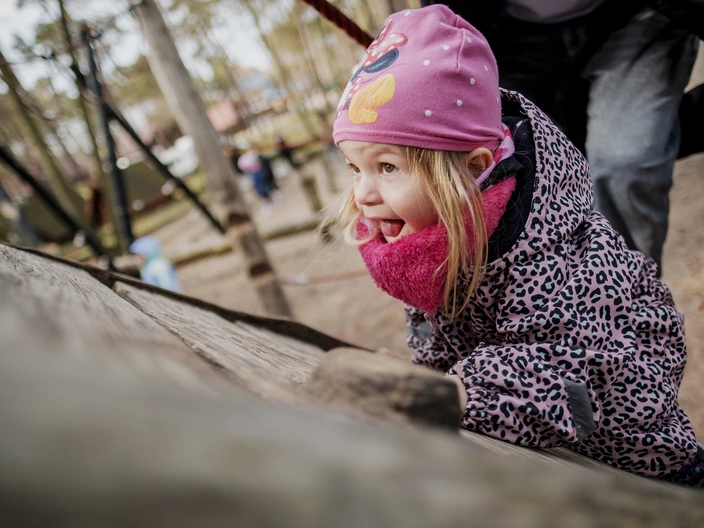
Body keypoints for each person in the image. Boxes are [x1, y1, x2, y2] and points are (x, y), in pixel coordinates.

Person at [332, 5, 703, 486]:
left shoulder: (551, 255)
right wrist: (432, 378)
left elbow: (568, 375)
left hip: (638, 458)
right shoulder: (434, 228)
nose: (363, 194)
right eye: (355, 168)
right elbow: (442, 332)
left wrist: (457, 394)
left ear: (471, 169)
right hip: (531, 445)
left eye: (387, 167)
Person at [422, 0, 700, 276]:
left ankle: (626, 289)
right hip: (509, 34)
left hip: (636, 19)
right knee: (521, 172)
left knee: (624, 162)